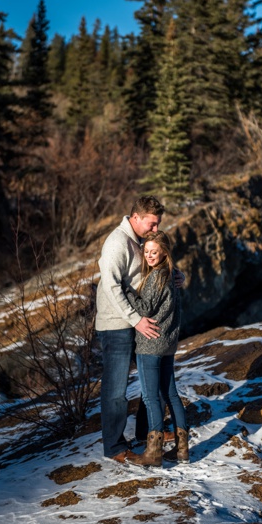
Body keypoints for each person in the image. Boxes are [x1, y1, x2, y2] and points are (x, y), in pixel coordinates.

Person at [96, 196, 181, 463]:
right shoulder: (116, 243)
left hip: (137, 322)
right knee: (116, 391)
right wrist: (136, 320)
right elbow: (111, 287)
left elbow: (152, 269)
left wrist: (176, 275)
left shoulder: (141, 241)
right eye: (152, 224)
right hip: (117, 325)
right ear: (136, 217)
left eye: (158, 225)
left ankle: (148, 432)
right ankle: (114, 447)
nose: (156, 230)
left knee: (151, 382)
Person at [124, 231, 189, 467]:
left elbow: (144, 308)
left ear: (164, 253)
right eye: (147, 251)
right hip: (168, 344)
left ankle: (153, 453)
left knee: (151, 397)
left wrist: (127, 290)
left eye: (154, 252)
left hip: (151, 344)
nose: (149, 256)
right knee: (170, 393)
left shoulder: (155, 277)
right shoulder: (172, 275)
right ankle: (182, 449)